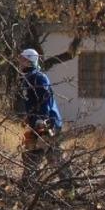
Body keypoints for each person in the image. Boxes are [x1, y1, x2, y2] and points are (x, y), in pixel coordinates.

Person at [15, 48, 67, 189]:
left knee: (54, 158)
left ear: (29, 60)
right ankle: (26, 188)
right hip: (37, 124)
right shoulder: (27, 77)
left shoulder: (39, 77)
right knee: (32, 157)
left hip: (47, 124)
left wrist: (41, 120)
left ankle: (70, 188)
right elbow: (33, 101)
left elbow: (45, 100)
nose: (20, 62)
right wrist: (28, 117)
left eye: (23, 59)